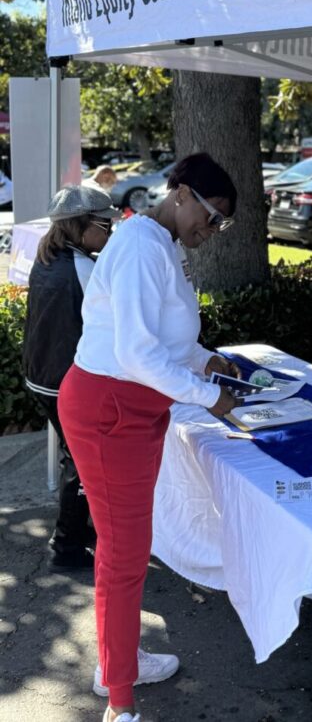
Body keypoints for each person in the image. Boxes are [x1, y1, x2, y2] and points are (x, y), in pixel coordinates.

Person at [58, 153, 241, 722]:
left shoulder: (162, 245)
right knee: (123, 553)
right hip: (111, 409)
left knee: (126, 546)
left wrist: (212, 364)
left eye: (220, 225)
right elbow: (138, 354)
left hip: (128, 407)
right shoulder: (141, 246)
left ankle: (118, 660)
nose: (210, 233)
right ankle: (119, 701)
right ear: (181, 193)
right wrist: (213, 398)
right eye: (211, 218)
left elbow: (171, 342)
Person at [23, 184, 117, 569]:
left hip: (40, 374)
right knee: (81, 463)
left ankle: (77, 531)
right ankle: (67, 547)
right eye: (104, 225)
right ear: (81, 225)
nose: (109, 232)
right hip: (65, 382)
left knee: (74, 457)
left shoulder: (47, 257)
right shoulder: (84, 267)